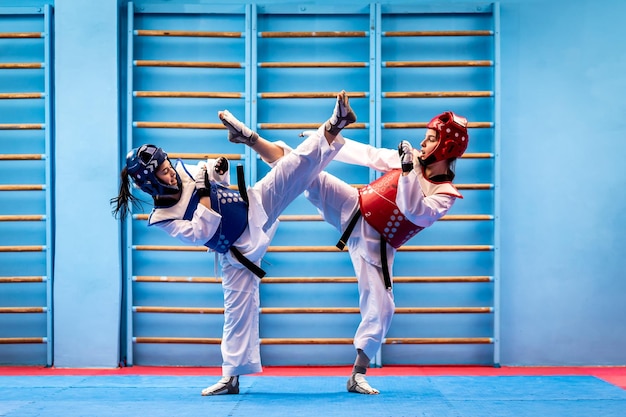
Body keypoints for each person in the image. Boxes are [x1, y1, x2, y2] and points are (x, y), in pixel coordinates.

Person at [110, 91, 356, 396]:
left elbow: (218, 176)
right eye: (163, 171)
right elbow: (201, 231)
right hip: (237, 252)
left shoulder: (186, 171)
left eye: (168, 164)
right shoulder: (162, 217)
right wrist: (202, 187)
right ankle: (231, 378)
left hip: (254, 205)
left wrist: (218, 167)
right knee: (237, 313)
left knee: (293, 166)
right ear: (150, 182)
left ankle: (335, 124)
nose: (170, 171)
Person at [237, 100, 469, 395]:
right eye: (427, 136)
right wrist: (324, 137)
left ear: (446, 147)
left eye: (432, 138)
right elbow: (368, 155)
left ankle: (358, 373)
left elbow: (414, 211)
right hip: (353, 206)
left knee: (383, 308)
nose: (423, 141)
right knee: (304, 169)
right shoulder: (407, 160)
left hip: (377, 243)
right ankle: (251, 138)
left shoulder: (445, 193)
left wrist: (409, 171)